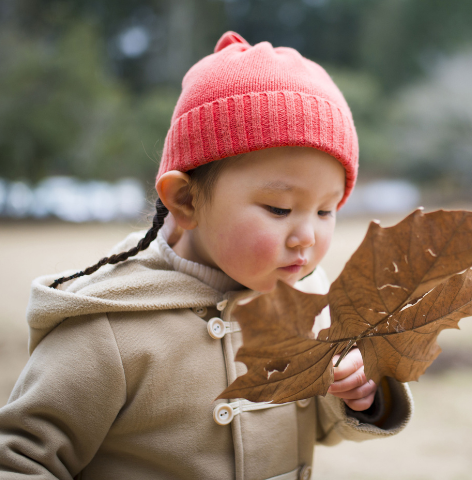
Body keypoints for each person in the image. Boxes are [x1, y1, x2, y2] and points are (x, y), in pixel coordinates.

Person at [0, 31, 413, 480]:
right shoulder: (108, 329)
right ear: (186, 200)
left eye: (326, 210)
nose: (306, 237)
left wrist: (360, 393)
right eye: (279, 208)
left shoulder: (314, 307)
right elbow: (21, 459)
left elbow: (329, 429)